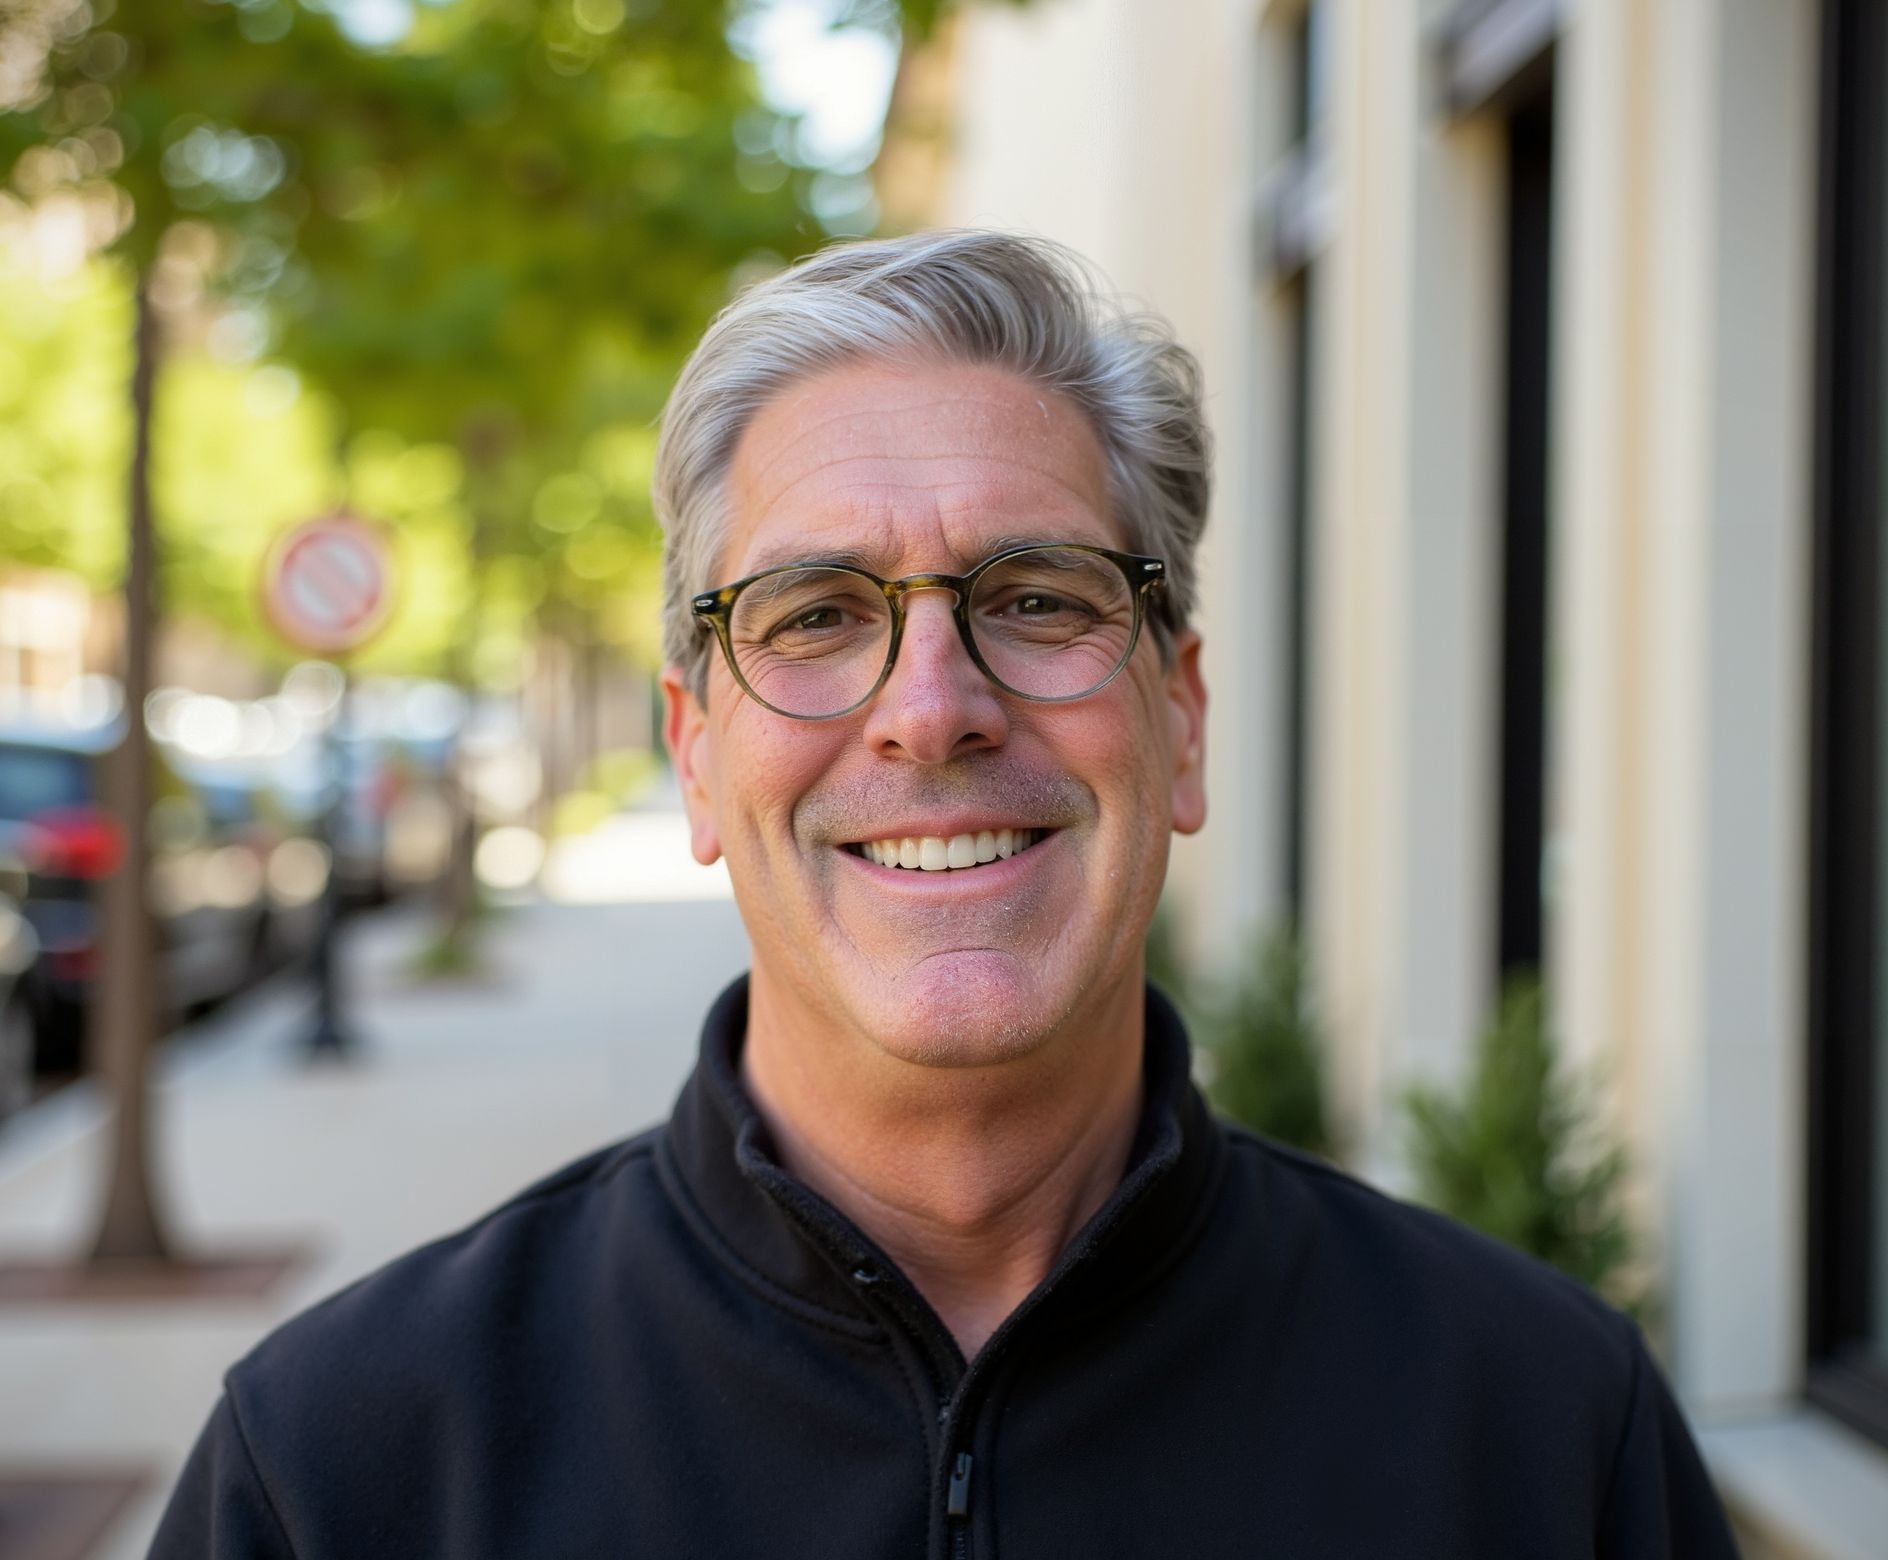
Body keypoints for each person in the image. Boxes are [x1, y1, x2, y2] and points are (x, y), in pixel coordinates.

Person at [153, 231, 1740, 1558]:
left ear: (1179, 721)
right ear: (696, 754)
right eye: (819, 613)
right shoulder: (346, 1471)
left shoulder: (1541, 1431)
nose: (932, 705)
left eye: (1036, 599)